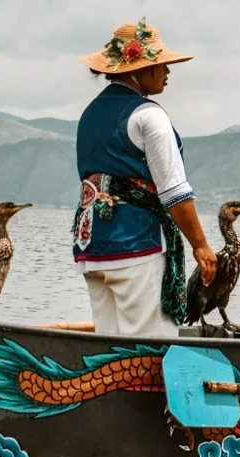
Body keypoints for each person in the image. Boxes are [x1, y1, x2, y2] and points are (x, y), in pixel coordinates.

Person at [72, 18, 218, 337]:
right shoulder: (149, 116)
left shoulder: (90, 115)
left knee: (109, 346)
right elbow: (175, 193)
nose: (167, 71)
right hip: (135, 244)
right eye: (160, 65)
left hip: (91, 246)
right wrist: (201, 246)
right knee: (150, 348)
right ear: (138, 69)